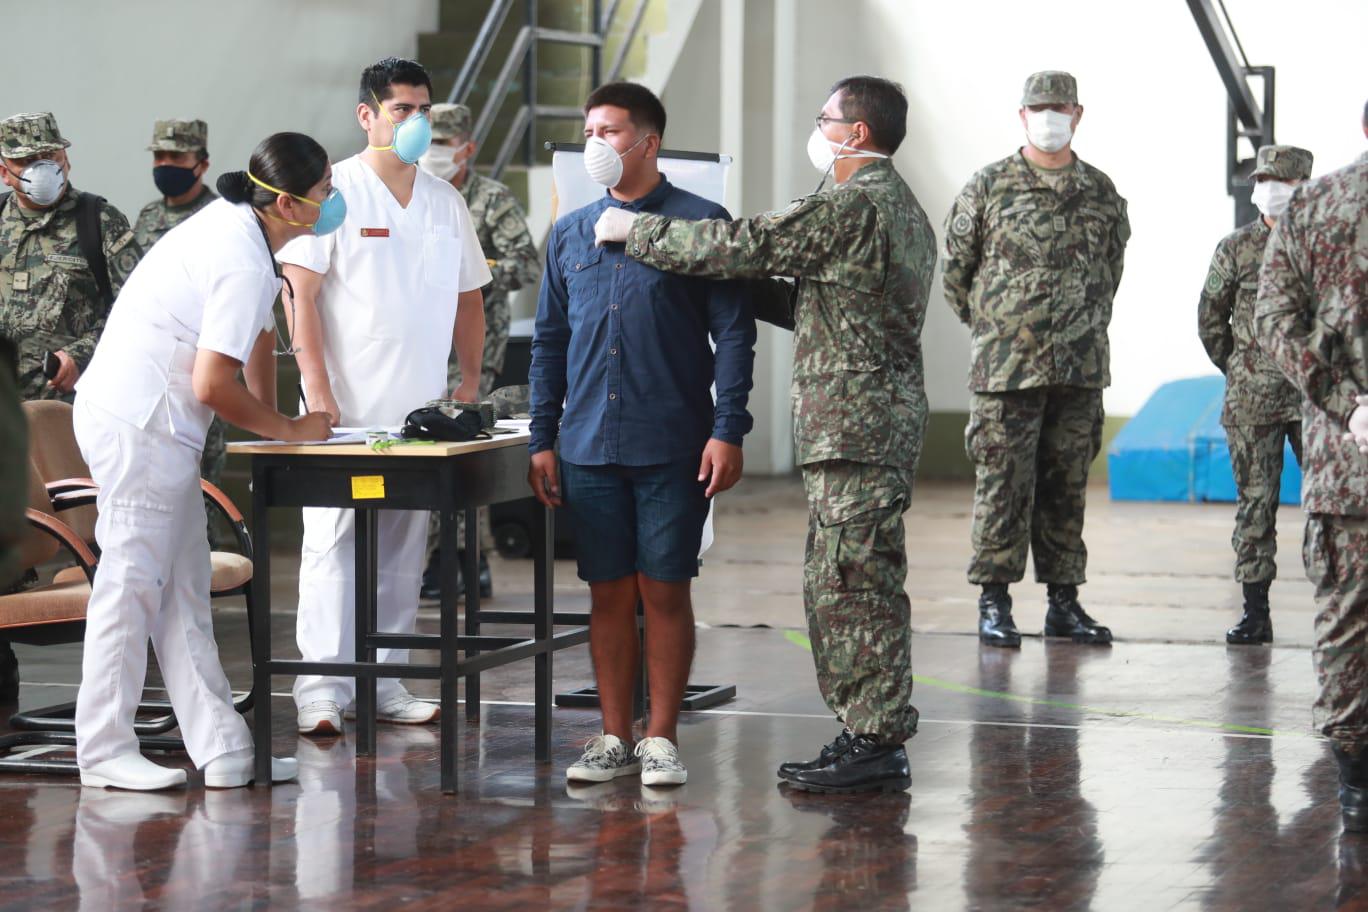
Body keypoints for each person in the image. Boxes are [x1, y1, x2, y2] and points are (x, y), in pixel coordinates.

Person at [592, 75, 931, 793]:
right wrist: (725, 286)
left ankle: (873, 739)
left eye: (826, 117)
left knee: (851, 585)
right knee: (854, 577)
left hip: (857, 427)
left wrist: (641, 231)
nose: (821, 129)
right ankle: (868, 732)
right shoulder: (898, 208)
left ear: (857, 134)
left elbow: (751, 242)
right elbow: (820, 301)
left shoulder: (854, 202)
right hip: (869, 424)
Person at [71, 132, 339, 790]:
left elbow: (255, 343)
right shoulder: (240, 255)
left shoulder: (242, 233)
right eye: (323, 190)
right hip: (139, 423)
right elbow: (213, 386)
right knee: (132, 589)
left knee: (184, 589)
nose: (333, 199)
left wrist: (284, 426)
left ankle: (224, 752)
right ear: (287, 204)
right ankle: (104, 750)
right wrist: (289, 431)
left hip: (153, 425)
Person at [529, 82, 755, 788]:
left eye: (612, 131)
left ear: (648, 142)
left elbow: (735, 335)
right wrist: (543, 435)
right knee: (606, 594)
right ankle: (611, 735)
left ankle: (659, 738)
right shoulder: (570, 232)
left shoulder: (701, 223)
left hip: (673, 442)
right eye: (589, 129)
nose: (597, 143)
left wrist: (728, 429)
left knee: (664, 591)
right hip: (589, 442)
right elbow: (549, 341)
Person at [280, 56, 490, 736]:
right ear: (367, 115)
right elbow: (299, 296)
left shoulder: (443, 201)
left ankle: (387, 680)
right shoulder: (333, 192)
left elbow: (469, 300)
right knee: (331, 549)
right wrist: (315, 390)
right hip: (345, 418)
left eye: (424, 108)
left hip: (419, 420)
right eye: (402, 109)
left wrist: (467, 382)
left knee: (403, 552)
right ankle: (321, 690)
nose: (417, 121)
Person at [942, 71, 1130, 649]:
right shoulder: (988, 188)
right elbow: (956, 276)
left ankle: (1063, 604)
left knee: (1066, 485)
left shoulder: (1100, 192)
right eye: (1039, 108)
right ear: (1022, 115)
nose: (1050, 117)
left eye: (1060, 107)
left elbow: (1111, 271)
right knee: (1002, 487)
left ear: (1078, 113)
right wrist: (1000, 329)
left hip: (1079, 369)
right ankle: (994, 602)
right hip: (1006, 371)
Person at [1254, 102, 1368, 833]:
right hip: (1346, 453)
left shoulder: (1314, 206)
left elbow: (1271, 320)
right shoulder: (1316, 205)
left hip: (1345, 452)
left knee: (1348, 617)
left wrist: (1345, 403)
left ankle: (1356, 780)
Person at [417, 102, 540, 601]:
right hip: (421, 342)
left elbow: (524, 266)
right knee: (424, 451)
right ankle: (432, 557)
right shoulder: (414, 195)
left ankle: (471, 556)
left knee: (468, 448)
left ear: (467, 146)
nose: (436, 154)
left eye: (445, 145)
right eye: (430, 144)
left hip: (476, 347)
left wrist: (470, 268)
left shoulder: (491, 200)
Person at [1197, 144, 1313, 644]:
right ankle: (1255, 611)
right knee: (1255, 505)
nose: (1269, 190)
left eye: (1280, 182)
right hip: (1253, 400)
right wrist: (1240, 365)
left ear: (1304, 186)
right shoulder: (1235, 248)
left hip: (1316, 397)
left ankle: (1343, 600)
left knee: (1335, 504)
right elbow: (1209, 318)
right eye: (1263, 181)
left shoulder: (1324, 243)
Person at [0, 112, 142, 402]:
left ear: (66, 159)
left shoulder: (99, 221)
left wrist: (82, 353)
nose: (41, 168)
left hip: (68, 408)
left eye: (50, 156)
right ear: (4, 172)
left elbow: (140, 310)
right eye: (27, 161)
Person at [133, 119, 228, 495]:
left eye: (177, 155)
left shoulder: (222, 218)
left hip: (199, 364)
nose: (165, 164)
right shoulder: (146, 218)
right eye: (160, 155)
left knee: (201, 490)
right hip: (152, 366)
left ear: (202, 163)